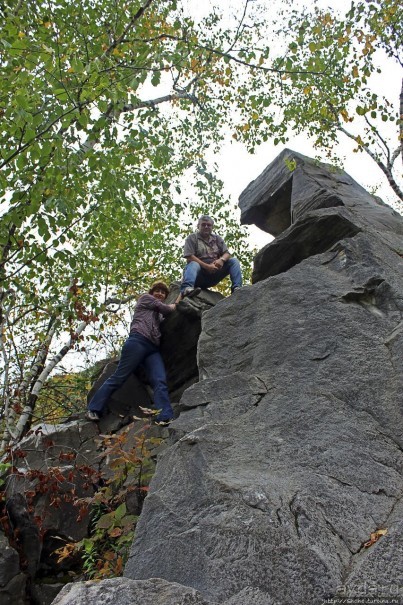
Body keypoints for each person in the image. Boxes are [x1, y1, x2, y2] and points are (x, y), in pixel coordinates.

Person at [86, 281, 176, 426]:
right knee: (119, 377)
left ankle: (164, 415)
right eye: (157, 291)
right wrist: (176, 303)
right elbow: (167, 309)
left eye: (163, 292)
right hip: (137, 342)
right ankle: (93, 408)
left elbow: (163, 315)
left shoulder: (158, 315)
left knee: (159, 380)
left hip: (152, 349)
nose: (160, 293)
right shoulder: (145, 299)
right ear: (151, 293)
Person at [180, 215, 242, 298]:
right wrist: (207, 266)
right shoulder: (192, 238)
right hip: (198, 276)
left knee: (234, 261)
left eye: (208, 225)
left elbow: (227, 253)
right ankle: (187, 289)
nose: (206, 227)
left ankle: (237, 288)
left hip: (213, 274)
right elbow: (189, 256)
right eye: (203, 224)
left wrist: (221, 260)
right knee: (193, 263)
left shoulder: (217, 239)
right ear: (198, 226)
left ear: (212, 227)